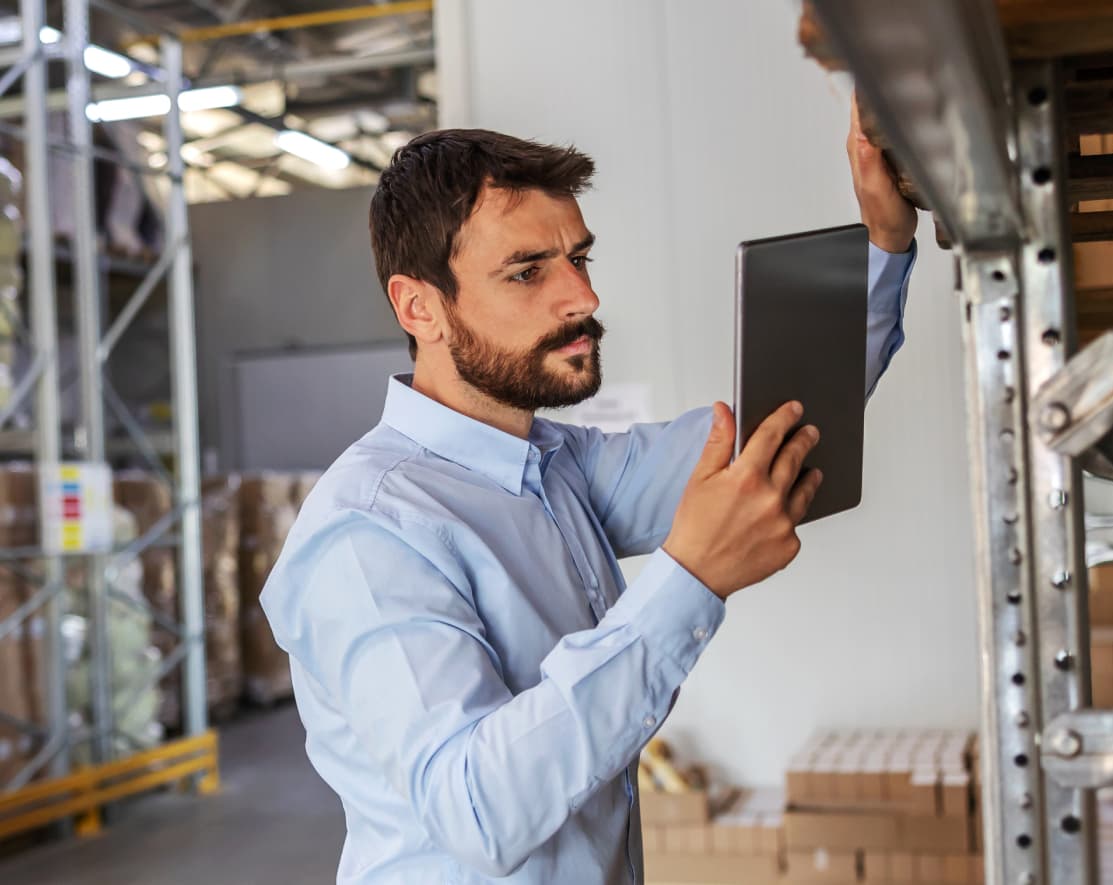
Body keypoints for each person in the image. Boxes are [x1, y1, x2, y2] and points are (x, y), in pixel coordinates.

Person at [261, 99, 918, 883]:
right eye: (528, 271)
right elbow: (474, 807)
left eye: (580, 259)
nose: (582, 297)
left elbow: (774, 427)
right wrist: (690, 579)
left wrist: (884, 243)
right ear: (420, 307)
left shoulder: (554, 462)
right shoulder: (367, 533)